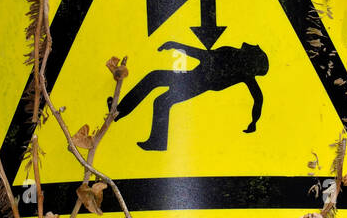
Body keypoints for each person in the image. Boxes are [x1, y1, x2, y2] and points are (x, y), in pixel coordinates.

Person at [113, 39, 269, 151]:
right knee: (157, 88)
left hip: (196, 83)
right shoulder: (240, 66)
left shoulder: (236, 61)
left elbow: (202, 55)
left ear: (252, 60)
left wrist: (177, 45)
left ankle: (149, 136)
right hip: (194, 78)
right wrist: (254, 122)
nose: (251, 45)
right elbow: (258, 98)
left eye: (255, 49)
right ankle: (122, 114)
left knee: (161, 98)